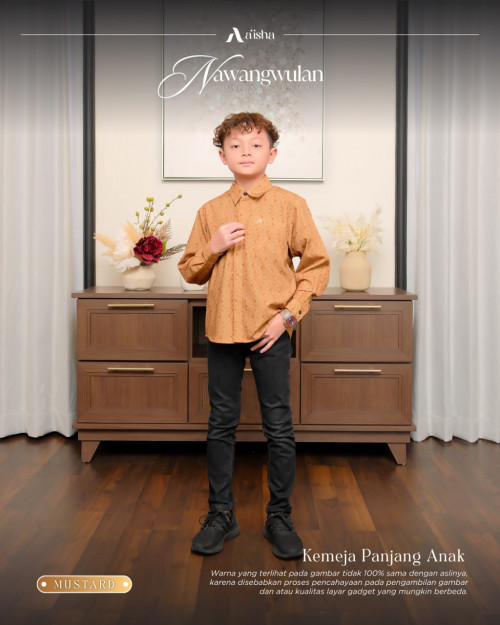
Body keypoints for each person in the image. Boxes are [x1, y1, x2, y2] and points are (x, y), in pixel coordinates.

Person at [178, 112, 330, 560]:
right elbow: (190, 272)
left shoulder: (291, 205)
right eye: (235, 145)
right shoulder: (210, 213)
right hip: (222, 330)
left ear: (272, 154)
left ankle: (279, 515)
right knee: (220, 423)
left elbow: (316, 267)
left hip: (271, 331)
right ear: (222, 156)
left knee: (278, 424)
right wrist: (213, 248)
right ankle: (220, 514)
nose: (246, 152)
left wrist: (287, 318)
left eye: (256, 145)